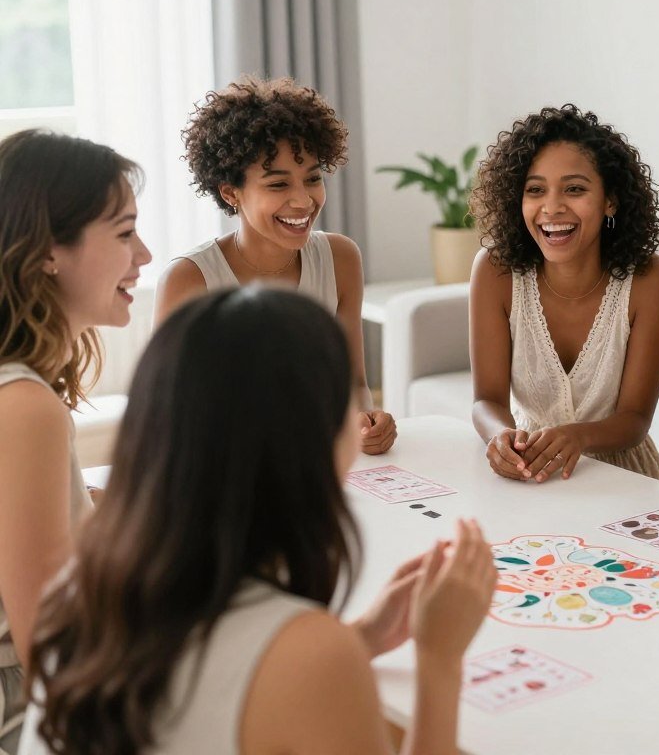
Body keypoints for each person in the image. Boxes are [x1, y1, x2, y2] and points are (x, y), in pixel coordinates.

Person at [21, 287, 496, 754]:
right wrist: (440, 660)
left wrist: (364, 637)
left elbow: (213, 688)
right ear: (311, 444)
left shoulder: (77, 596)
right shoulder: (310, 654)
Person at [0, 129, 151, 753]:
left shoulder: (20, 389)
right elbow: (48, 651)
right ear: (48, 253)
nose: (143, 255)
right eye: (123, 233)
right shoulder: (25, 406)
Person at [156, 75, 395, 455]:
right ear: (231, 192)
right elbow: (170, 416)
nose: (303, 202)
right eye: (278, 185)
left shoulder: (341, 258)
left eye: (313, 179)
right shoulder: (189, 280)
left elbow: (351, 384)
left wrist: (366, 423)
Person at [469, 104, 659, 482]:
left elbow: (635, 420)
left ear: (609, 200)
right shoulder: (495, 271)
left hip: (624, 479)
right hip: (528, 470)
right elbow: (486, 400)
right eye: (535, 190)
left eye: (575, 189)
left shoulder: (652, 281)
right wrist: (499, 436)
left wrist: (578, 437)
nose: (552, 207)